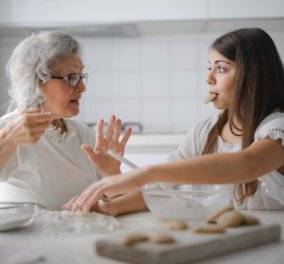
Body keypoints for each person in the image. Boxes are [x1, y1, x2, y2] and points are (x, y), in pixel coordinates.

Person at [65, 27, 284, 213]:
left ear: (253, 75)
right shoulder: (205, 131)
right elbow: (164, 188)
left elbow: (249, 165)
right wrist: (110, 205)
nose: (208, 78)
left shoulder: (277, 128)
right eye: (210, 68)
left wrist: (146, 172)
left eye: (221, 69)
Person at [0, 31, 132, 210]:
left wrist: (111, 173)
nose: (83, 87)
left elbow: (116, 202)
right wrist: (7, 140)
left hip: (83, 236)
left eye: (81, 76)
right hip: (29, 237)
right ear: (38, 80)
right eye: (71, 77)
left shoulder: (83, 135)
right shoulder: (8, 129)